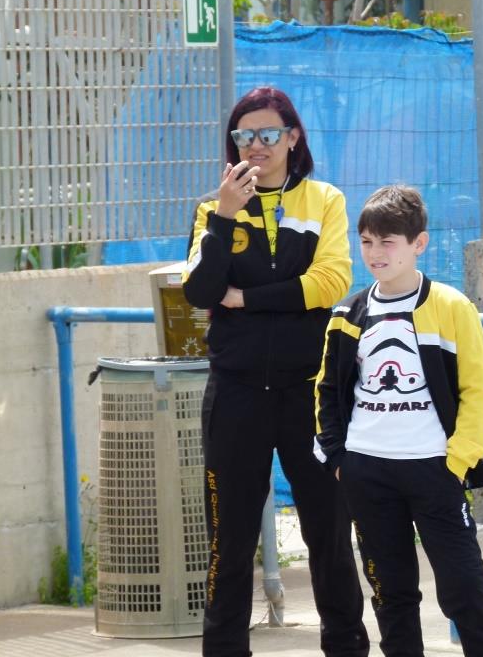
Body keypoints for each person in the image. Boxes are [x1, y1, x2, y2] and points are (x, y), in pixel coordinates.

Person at [182, 86, 368, 657]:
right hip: (236, 392)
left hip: (309, 392)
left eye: (268, 134)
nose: (256, 146)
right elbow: (199, 290)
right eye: (244, 135)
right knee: (229, 539)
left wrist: (245, 299)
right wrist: (224, 217)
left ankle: (346, 646)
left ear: (292, 137)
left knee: (328, 531)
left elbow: (331, 282)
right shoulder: (212, 209)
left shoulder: (324, 200)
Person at [313, 185, 483, 657]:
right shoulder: (347, 313)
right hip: (367, 471)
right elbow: (326, 390)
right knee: (391, 594)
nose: (375, 253)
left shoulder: (451, 306)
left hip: (435, 469)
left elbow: (477, 389)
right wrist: (339, 460)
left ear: (419, 243)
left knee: (465, 588)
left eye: (387, 241)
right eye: (366, 242)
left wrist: (457, 461)